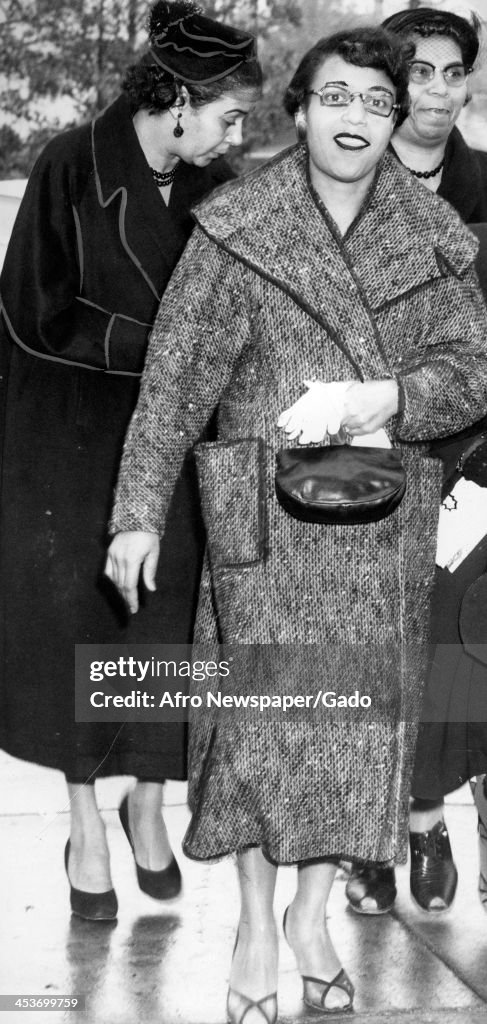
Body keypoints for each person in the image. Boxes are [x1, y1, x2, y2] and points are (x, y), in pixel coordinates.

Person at [106, 26, 487, 1021]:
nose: (353, 116)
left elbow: (470, 373)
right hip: (262, 526)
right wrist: (136, 516)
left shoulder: (435, 241)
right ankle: (252, 925)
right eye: (335, 97)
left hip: (377, 522)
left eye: (374, 100)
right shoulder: (236, 227)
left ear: (394, 118)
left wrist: (383, 398)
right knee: (265, 739)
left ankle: (311, 918)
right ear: (301, 111)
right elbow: (175, 378)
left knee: (350, 743)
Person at [0, 0, 261, 921]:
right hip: (69, 443)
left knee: (163, 628)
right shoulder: (70, 164)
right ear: (179, 101)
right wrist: (166, 344)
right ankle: (83, 822)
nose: (236, 134)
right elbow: (35, 312)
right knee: (81, 630)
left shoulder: (219, 185)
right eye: (228, 115)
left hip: (174, 443)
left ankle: (148, 802)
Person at [345, 5, 487, 918]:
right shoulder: (343, 187)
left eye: (452, 72)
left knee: (472, 650)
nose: (436, 91)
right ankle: (408, 824)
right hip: (373, 454)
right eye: (419, 73)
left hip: (480, 455)